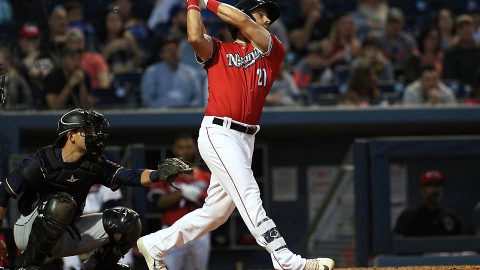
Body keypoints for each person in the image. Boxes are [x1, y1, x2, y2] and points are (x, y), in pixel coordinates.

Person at [137, 1, 335, 270]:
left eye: (268, 17)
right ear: (238, 18)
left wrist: (206, 1)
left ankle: (155, 244)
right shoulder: (219, 48)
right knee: (249, 192)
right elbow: (195, 36)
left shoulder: (271, 49)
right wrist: (194, 5)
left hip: (246, 138)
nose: (266, 21)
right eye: (261, 14)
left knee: (216, 213)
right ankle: (285, 260)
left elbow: (244, 22)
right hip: (219, 131)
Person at [0, 108, 192, 269]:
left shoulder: (94, 164)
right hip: (30, 231)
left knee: (128, 221)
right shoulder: (39, 162)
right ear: (71, 135)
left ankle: (98, 266)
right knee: (61, 203)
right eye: (89, 130)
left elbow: (129, 175)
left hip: (69, 229)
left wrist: (158, 174)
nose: (96, 135)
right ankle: (28, 265)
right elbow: (2, 194)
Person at [148, 134, 211, 270]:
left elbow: (214, 205)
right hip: (173, 229)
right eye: (181, 147)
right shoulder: (165, 175)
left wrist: (198, 195)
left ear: (195, 149)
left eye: (189, 147)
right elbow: (159, 202)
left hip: (200, 231)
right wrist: (181, 193)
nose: (185, 151)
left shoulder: (206, 176)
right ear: (174, 149)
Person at [394, 170, 464, 237]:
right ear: (422, 189)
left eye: (438, 185)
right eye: (430, 185)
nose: (435, 190)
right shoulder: (408, 217)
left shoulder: (453, 218)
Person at [140, 36, 203, 108]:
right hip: (160, 114)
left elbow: (198, 98)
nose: (173, 54)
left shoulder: (190, 73)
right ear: (161, 54)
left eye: (176, 50)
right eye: (169, 50)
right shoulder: (152, 72)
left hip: (186, 114)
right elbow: (147, 99)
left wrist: (188, 110)